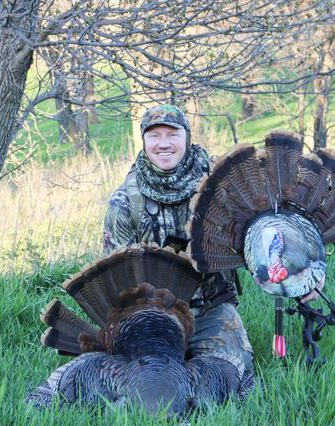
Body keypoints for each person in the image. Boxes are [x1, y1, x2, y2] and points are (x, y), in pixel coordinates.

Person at [103, 104, 254, 399]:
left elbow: (258, 242)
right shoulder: (124, 202)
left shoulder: (218, 185)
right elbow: (115, 281)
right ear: (144, 141)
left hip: (210, 307)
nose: (163, 144)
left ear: (186, 137)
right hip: (150, 318)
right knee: (147, 384)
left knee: (232, 373)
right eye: (154, 135)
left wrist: (300, 280)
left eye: (172, 134)